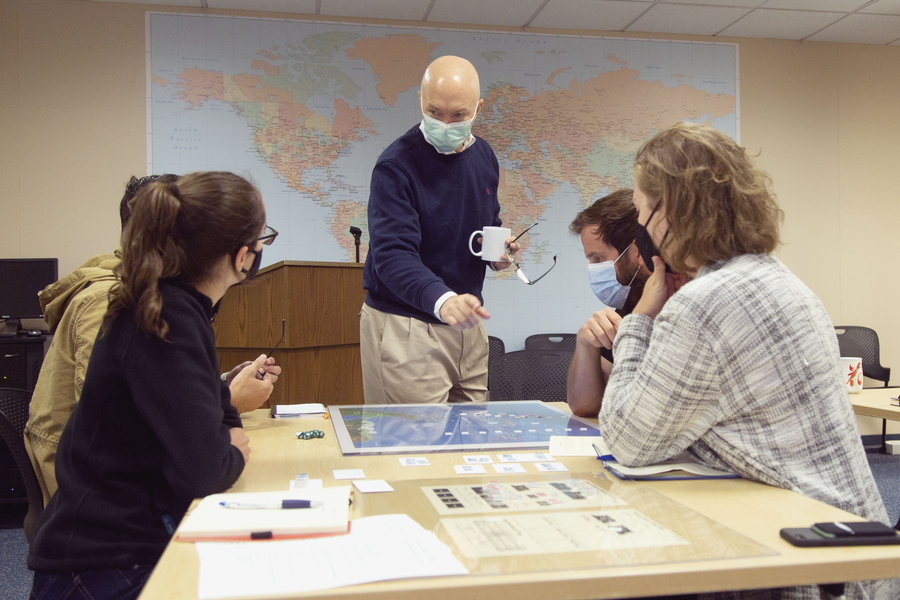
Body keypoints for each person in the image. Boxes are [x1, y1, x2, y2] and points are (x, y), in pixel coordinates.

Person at [598, 122, 896, 600]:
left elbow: (629, 439)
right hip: (850, 547)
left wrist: (639, 319)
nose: (640, 228)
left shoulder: (707, 303)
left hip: (802, 565)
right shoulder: (779, 279)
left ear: (667, 210)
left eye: (640, 211)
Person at [28, 172, 276, 600]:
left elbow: (218, 409)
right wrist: (232, 448)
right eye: (262, 239)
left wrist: (227, 430)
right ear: (242, 257)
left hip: (113, 543)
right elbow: (205, 471)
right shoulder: (168, 317)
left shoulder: (174, 302)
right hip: (106, 563)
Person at [360, 55, 518, 404]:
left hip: (466, 322)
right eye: (435, 113)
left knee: (471, 441)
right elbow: (392, 256)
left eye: (459, 115)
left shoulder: (485, 157)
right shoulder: (395, 167)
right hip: (407, 324)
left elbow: (485, 224)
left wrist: (499, 255)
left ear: (477, 108)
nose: (446, 124)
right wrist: (443, 301)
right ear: (420, 99)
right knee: (416, 449)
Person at [565, 188, 648, 418]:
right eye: (590, 259)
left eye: (599, 258)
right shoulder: (626, 309)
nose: (593, 268)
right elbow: (584, 406)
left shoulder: (674, 307)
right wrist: (585, 344)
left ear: (636, 251)